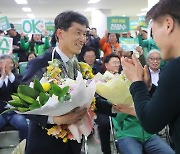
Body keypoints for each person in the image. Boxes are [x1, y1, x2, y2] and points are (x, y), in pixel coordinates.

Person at [23, 11, 114, 154]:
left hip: (73, 144)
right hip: (45, 145)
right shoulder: (40, 64)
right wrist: (55, 119)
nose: (83, 39)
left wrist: (116, 107)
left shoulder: (79, 66)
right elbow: (25, 103)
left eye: (85, 34)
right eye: (78, 33)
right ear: (60, 33)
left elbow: (88, 99)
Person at [121, 0, 180, 153]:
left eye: (153, 32)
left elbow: (150, 122)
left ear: (168, 25)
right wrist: (149, 88)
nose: (154, 40)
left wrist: (137, 82)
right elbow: (170, 104)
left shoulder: (175, 68)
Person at [96, 53, 121, 154]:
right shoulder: (100, 78)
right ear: (106, 65)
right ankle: (106, 151)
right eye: (114, 62)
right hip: (105, 108)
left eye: (118, 62)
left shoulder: (122, 76)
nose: (117, 65)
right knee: (104, 124)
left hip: (121, 107)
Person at [0, 55, 28, 142]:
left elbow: (21, 89)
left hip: (14, 112)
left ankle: (24, 147)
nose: (7, 66)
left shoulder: (17, 77)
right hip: (1, 112)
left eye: (9, 63)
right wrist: (2, 77)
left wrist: (9, 74)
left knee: (23, 125)